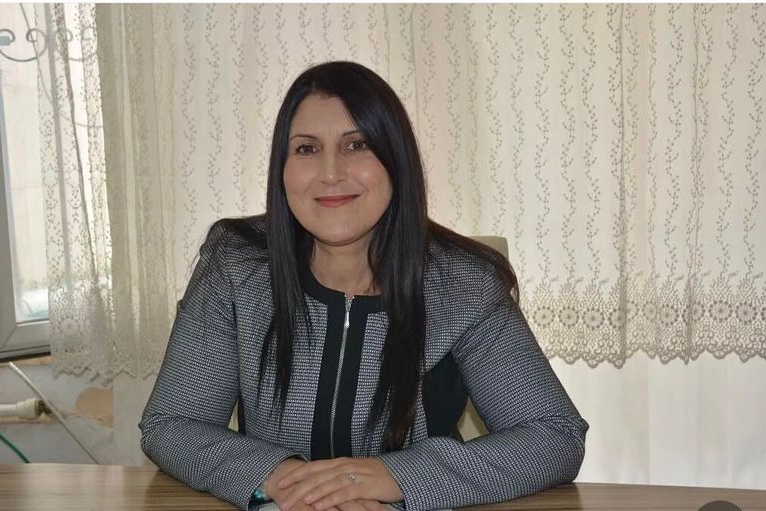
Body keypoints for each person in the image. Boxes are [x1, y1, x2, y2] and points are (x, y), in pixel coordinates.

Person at [140, 61, 588, 511]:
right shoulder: (236, 263)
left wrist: (395, 476)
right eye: (307, 149)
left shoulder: (465, 283)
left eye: (357, 145)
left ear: (396, 160)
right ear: (282, 170)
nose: (330, 173)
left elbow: (555, 435)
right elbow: (172, 423)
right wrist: (286, 480)